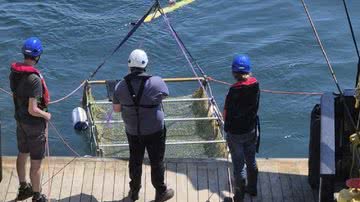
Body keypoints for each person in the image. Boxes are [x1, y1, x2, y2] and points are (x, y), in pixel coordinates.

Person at [112, 49, 174, 202]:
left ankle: (134, 193)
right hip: (155, 130)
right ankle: (160, 192)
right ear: (145, 64)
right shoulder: (156, 82)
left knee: (135, 161)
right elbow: (165, 94)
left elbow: (116, 109)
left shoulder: (120, 87)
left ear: (129, 66)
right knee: (156, 161)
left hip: (133, 130)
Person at [9, 37, 51, 202]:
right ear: (38, 56)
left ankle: (23, 188)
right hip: (34, 125)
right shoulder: (34, 80)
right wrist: (46, 115)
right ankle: (37, 196)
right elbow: (33, 109)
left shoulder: (14, 73)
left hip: (20, 121)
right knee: (36, 164)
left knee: (22, 154)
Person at [223, 55, 260, 202]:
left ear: (234, 73)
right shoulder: (255, 84)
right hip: (251, 129)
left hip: (235, 134)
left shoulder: (233, 90)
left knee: (239, 166)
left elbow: (226, 112)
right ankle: (253, 188)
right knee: (251, 160)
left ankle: (239, 198)